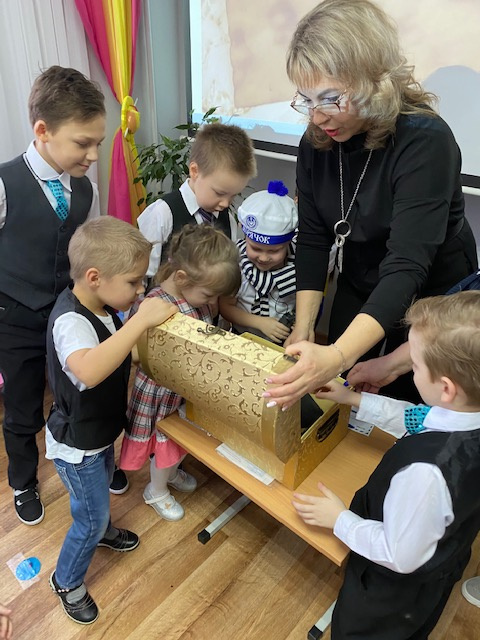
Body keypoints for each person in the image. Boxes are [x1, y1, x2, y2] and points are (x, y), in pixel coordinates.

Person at [263, 0, 477, 410]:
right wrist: (305, 329)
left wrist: (337, 355)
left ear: (374, 81)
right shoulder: (316, 142)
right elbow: (313, 239)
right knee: (343, 389)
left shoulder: (425, 141)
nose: (318, 117)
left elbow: (407, 265)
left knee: (411, 401)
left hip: (430, 293)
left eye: (331, 98)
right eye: (307, 99)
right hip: (363, 275)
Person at [293, 291, 480, 639]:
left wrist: (340, 520)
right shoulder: (465, 415)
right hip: (444, 557)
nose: (411, 371)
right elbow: (416, 417)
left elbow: (400, 555)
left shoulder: (426, 474)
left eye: (415, 366)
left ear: (446, 388)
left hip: (391, 597)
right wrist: (353, 398)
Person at [0, 66, 118, 525]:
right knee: (23, 407)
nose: (93, 155)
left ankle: (88, 460)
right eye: (83, 143)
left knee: (77, 393)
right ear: (43, 131)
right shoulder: (5, 184)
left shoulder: (86, 190)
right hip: (15, 318)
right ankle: (23, 480)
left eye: (98, 143)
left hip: (67, 316)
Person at [46, 217, 177, 624]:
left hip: (99, 437)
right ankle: (66, 581)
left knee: (98, 492)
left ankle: (99, 530)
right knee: (89, 516)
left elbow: (120, 353)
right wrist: (140, 320)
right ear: (94, 277)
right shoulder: (71, 322)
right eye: (134, 282)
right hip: (77, 446)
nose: (139, 290)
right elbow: (88, 371)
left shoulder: (102, 308)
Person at [119, 224, 241, 521]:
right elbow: (132, 352)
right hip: (160, 393)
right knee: (166, 442)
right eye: (209, 294)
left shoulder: (196, 299)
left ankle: (169, 474)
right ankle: (156, 490)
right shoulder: (153, 305)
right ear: (182, 277)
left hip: (186, 390)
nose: (212, 302)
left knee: (182, 441)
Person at [137, 122, 257, 279]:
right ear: (194, 171)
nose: (226, 203)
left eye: (233, 196)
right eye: (219, 193)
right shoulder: (162, 214)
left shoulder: (227, 219)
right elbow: (143, 275)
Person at [219, 180, 298, 344]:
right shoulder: (236, 264)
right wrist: (260, 323)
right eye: (255, 248)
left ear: (287, 244)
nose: (263, 258)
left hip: (284, 342)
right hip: (241, 338)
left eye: (274, 251)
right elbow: (225, 307)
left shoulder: (297, 267)